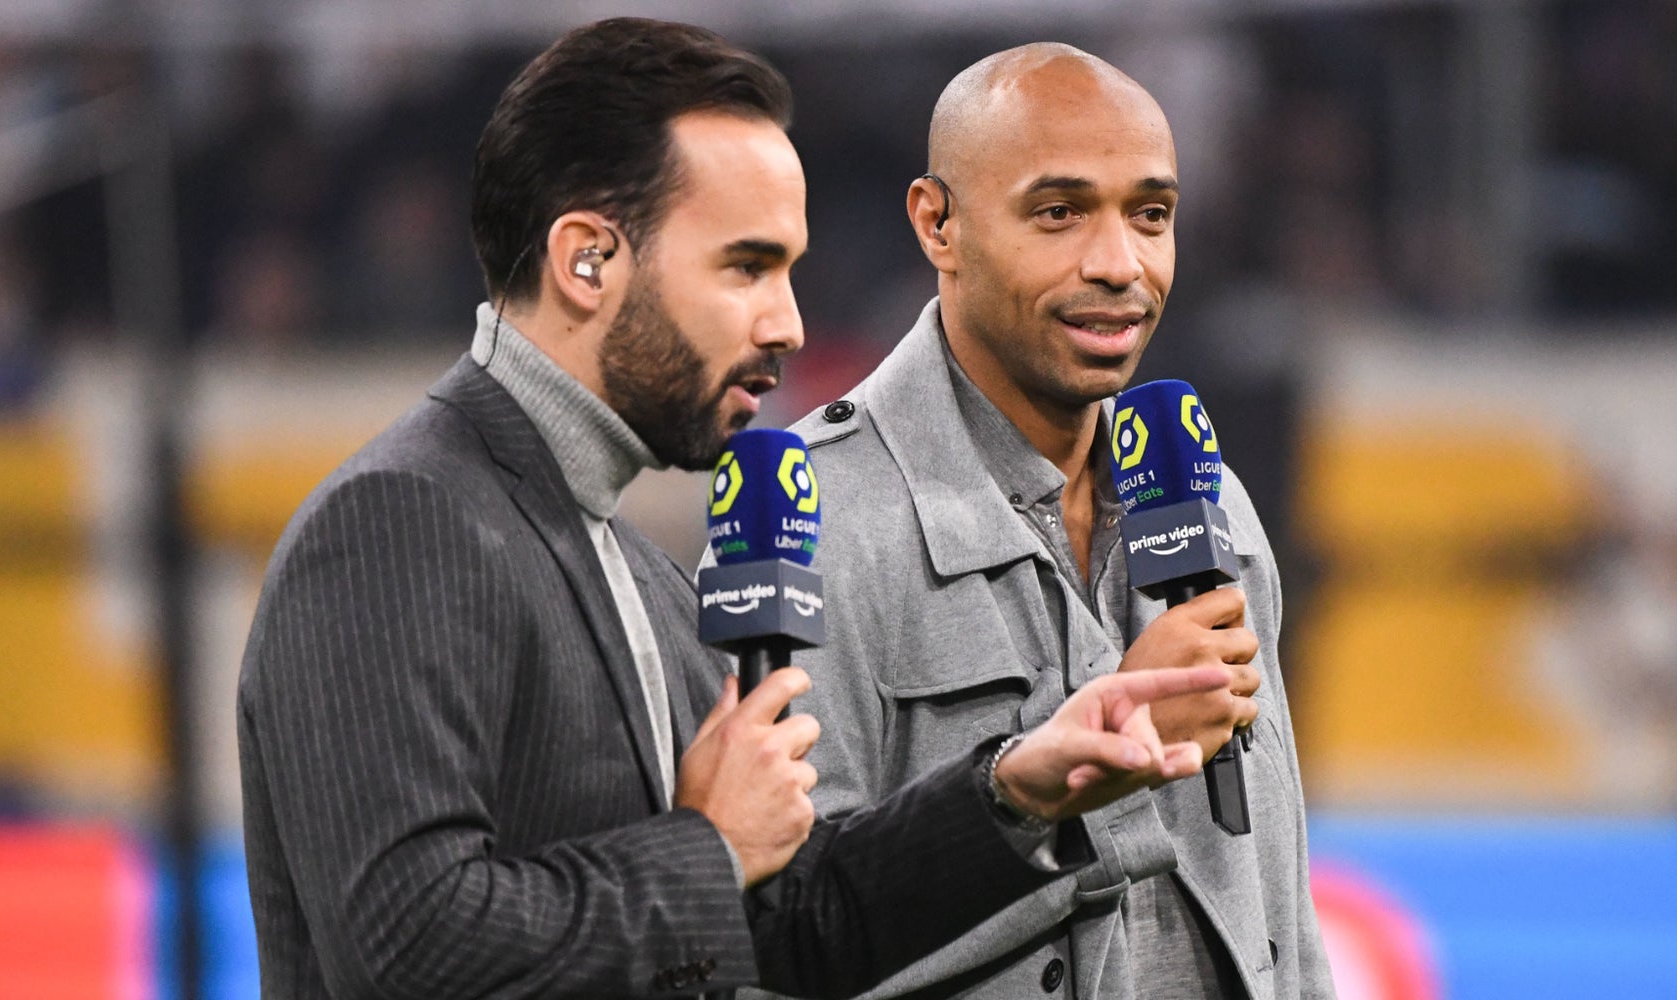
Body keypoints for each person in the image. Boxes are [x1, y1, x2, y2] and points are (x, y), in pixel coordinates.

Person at [236, 21, 1235, 1000]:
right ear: (586, 261)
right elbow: (402, 944)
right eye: (745, 266)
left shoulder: (639, 574)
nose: (787, 322)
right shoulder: (402, 520)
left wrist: (1021, 784)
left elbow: (791, 931)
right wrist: (706, 849)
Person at [768, 44, 1335, 998]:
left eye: (1150, 215)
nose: (1121, 265)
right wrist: (1062, 785)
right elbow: (786, 939)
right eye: (1059, 212)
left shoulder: (1212, 505)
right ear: (937, 223)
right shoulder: (817, 523)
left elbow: (1281, 912)